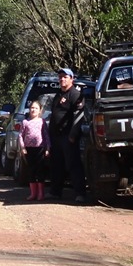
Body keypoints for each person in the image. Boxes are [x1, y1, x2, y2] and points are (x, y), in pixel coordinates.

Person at [46, 67, 87, 201]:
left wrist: (72, 135)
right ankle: (55, 192)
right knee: (56, 164)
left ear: (71, 79)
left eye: (65, 77)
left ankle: (80, 194)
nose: (62, 79)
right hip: (55, 136)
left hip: (68, 136)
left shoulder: (75, 94)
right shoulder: (59, 94)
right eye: (60, 77)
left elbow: (79, 116)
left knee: (73, 164)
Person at [18, 100, 50, 201]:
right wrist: (22, 147)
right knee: (31, 171)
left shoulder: (42, 122)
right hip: (28, 150)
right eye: (32, 108)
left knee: (40, 171)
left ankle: (41, 194)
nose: (33, 110)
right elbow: (20, 136)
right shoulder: (25, 122)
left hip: (40, 149)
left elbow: (46, 135)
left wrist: (48, 148)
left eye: (36, 108)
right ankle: (33, 193)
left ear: (40, 110)